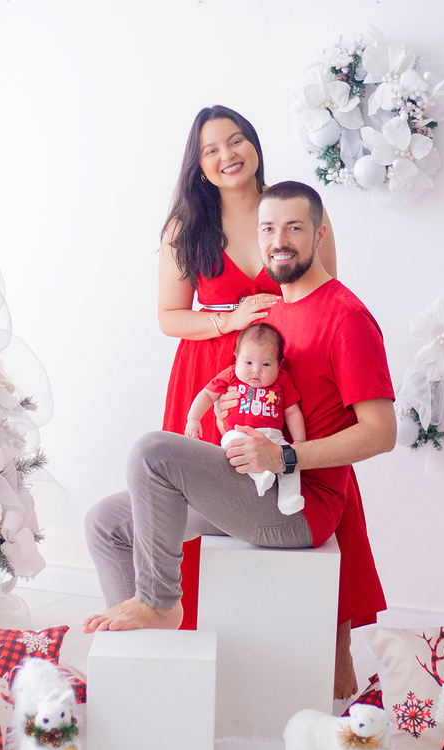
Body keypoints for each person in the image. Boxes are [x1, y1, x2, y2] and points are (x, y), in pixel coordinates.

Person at [85, 182, 395, 700]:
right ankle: (146, 679)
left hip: (299, 506)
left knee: (151, 452)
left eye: (295, 227)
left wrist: (285, 454)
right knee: (106, 524)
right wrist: (235, 408)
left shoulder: (346, 317)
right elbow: (267, 392)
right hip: (252, 485)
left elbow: (381, 433)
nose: (280, 240)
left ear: (320, 235)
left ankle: (161, 603)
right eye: (269, 229)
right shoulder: (270, 316)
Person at [156, 105, 338, 634]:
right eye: (211, 149)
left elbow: (324, 297)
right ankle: (192, 630)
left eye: (236, 141)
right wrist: (227, 321)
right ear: (199, 163)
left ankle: (307, 643)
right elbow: (168, 317)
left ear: (255, 145)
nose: (226, 156)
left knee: (295, 482)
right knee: (200, 500)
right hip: (208, 376)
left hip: (285, 372)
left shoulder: (293, 211)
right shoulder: (186, 226)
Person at [186, 322, 305, 515]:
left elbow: (292, 412)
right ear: (237, 358)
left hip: (272, 437)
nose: (256, 371)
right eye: (248, 363)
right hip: (238, 433)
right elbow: (207, 395)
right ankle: (261, 477)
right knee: (231, 443)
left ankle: (289, 499)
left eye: (266, 364)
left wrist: (299, 441)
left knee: (291, 460)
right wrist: (194, 419)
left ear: (279, 364)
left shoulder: (282, 380)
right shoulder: (231, 374)